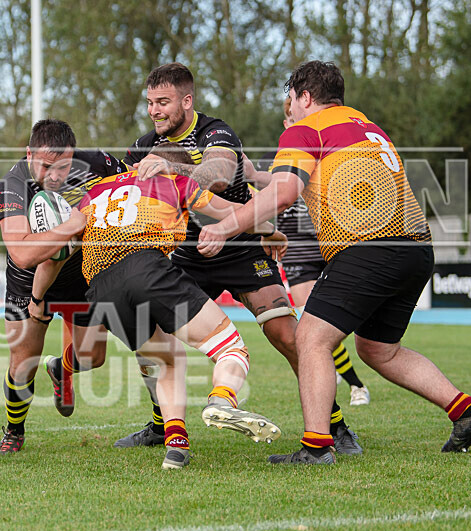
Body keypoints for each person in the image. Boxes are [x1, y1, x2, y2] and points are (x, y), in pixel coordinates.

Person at [202, 60, 471, 464]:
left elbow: (287, 193)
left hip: (369, 247)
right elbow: (312, 174)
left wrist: (226, 226)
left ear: (305, 97)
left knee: (310, 339)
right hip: (415, 249)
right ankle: (466, 411)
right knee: (379, 350)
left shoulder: (304, 129)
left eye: (291, 99)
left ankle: (317, 446)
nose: (289, 109)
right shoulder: (366, 127)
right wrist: (259, 174)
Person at [114, 62, 362, 455]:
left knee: (287, 335)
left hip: (240, 245)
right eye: (149, 103)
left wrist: (173, 169)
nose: (154, 111)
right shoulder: (143, 144)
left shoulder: (216, 130)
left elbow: (221, 171)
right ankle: (163, 425)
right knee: (151, 334)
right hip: (186, 252)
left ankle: (335, 427)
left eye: (163, 102)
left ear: (186, 100)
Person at [31, 143, 286, 469]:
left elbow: (59, 252)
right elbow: (230, 212)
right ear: (177, 167)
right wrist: (271, 231)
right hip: (144, 267)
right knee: (230, 347)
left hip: (100, 289)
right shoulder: (176, 180)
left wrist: (37, 299)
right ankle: (223, 399)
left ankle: (176, 448)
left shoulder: (95, 191)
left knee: (165, 359)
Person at [0, 119, 126, 455]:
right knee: (23, 362)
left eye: (62, 166)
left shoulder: (95, 161)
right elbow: (22, 254)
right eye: (46, 166)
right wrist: (72, 226)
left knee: (93, 358)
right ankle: (14, 433)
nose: (54, 175)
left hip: (79, 277)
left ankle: (60, 368)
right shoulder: (13, 184)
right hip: (27, 283)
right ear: (29, 153)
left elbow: (132, 180)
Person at [245, 97, 370, 406]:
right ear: (285, 124)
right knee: (313, 318)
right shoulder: (272, 159)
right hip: (297, 250)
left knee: (330, 324)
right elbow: (260, 197)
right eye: (288, 121)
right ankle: (356, 384)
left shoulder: (322, 148)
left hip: (331, 242)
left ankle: (332, 366)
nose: (292, 125)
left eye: (295, 119)